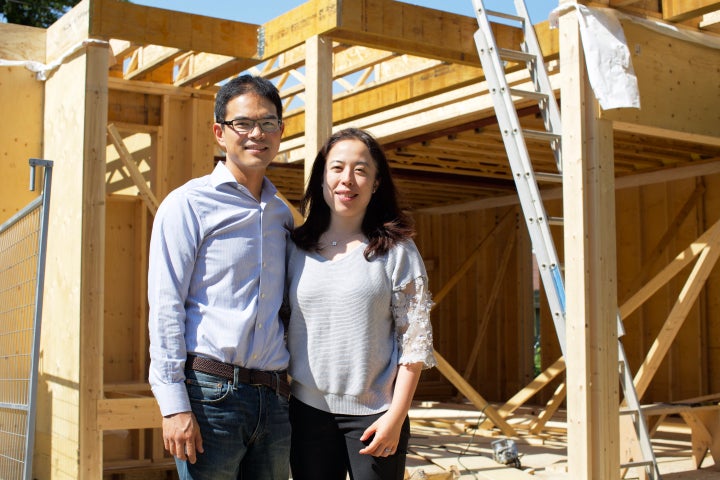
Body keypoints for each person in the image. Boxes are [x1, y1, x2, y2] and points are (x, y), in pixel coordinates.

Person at [147, 74, 293, 480]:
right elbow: (165, 307)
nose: (256, 134)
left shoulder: (282, 214)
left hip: (276, 399)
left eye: (267, 123)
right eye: (242, 124)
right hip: (212, 397)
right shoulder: (188, 205)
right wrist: (174, 406)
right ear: (219, 132)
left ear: (281, 131)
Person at [285, 127, 437, 480]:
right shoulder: (296, 248)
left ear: (376, 181)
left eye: (360, 169)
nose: (347, 180)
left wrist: (395, 418)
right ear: (322, 177)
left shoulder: (397, 252)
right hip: (307, 413)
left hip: (376, 416)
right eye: (337, 168)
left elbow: (414, 344)